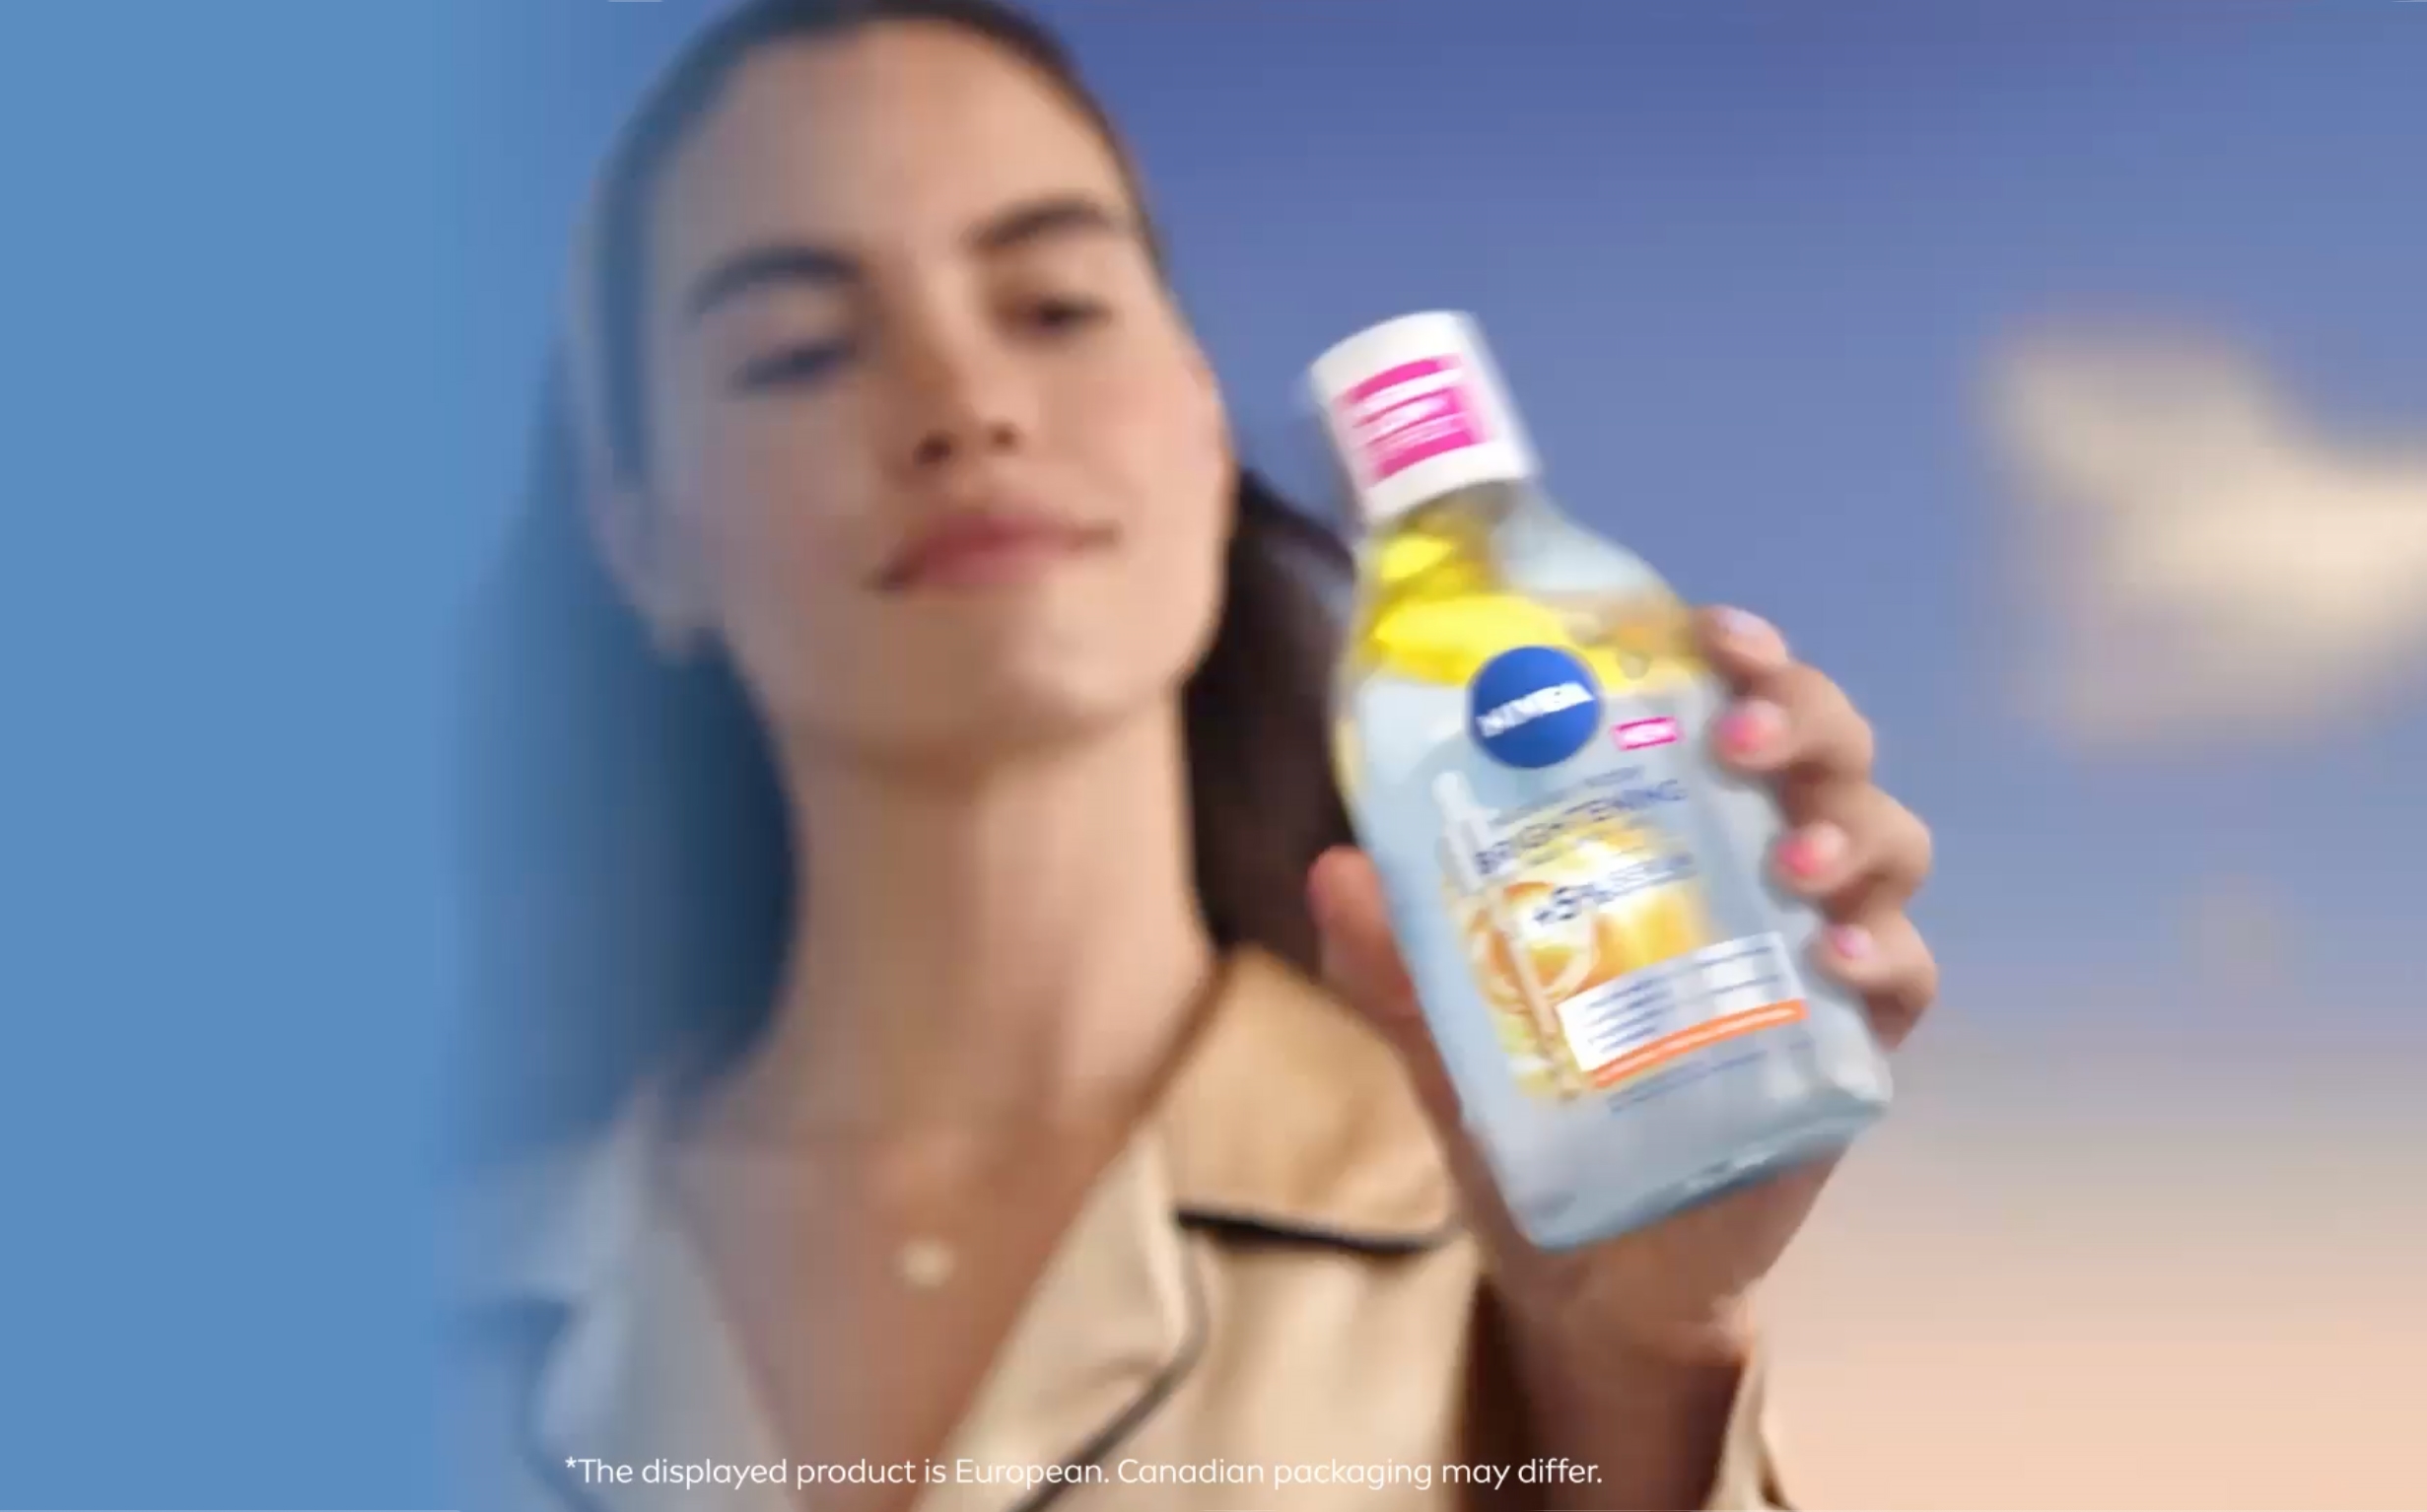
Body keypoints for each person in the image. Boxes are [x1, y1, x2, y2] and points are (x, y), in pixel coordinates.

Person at [451, 1, 1940, 1508]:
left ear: (1202, 421)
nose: (968, 406)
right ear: (639, 538)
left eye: (1055, 307)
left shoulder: (1537, 1187)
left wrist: (1638, 1377)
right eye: (799, 353)